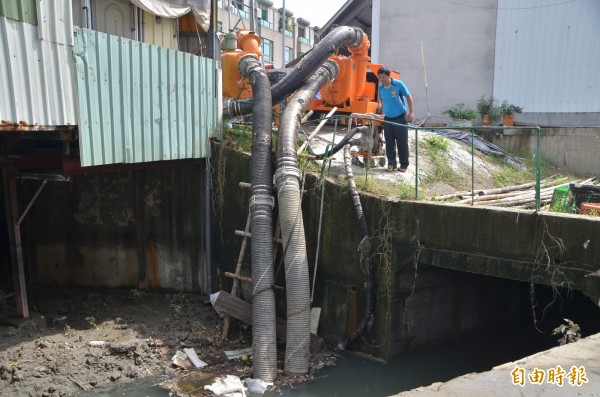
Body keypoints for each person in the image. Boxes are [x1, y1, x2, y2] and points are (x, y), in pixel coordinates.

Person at [375, 66, 414, 172]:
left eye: (383, 77)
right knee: (389, 143)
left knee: (402, 142)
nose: (381, 79)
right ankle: (391, 165)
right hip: (387, 119)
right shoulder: (380, 87)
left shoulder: (398, 84)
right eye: (380, 77)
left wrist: (411, 112)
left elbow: (408, 97)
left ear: (389, 76)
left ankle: (403, 165)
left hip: (400, 118)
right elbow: (382, 101)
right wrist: (381, 114)